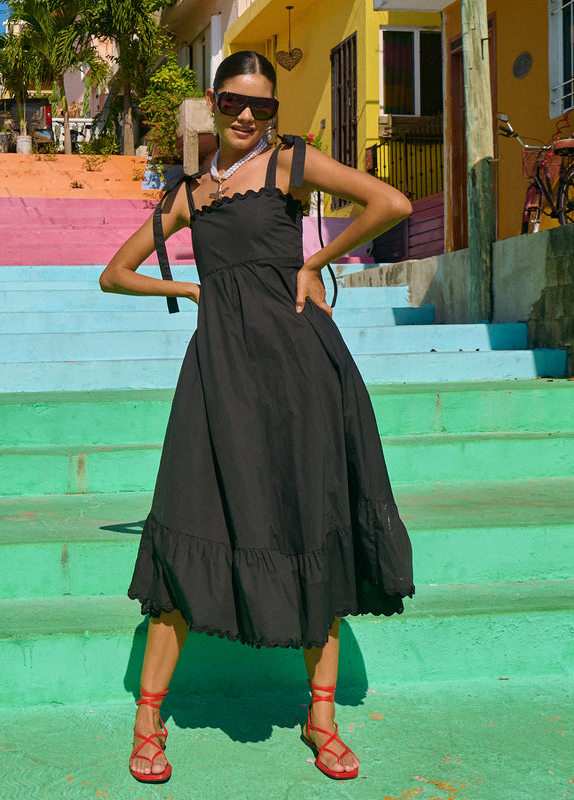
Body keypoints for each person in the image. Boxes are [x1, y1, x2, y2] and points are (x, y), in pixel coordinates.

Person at [99, 51, 416, 785]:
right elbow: (114, 274)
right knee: (189, 528)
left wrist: (315, 261)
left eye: (263, 107)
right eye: (236, 102)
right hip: (218, 378)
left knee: (315, 522)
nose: (248, 116)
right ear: (213, 104)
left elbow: (391, 203)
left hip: (303, 373)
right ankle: (148, 720)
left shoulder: (290, 165)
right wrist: (196, 294)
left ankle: (322, 717)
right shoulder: (186, 196)